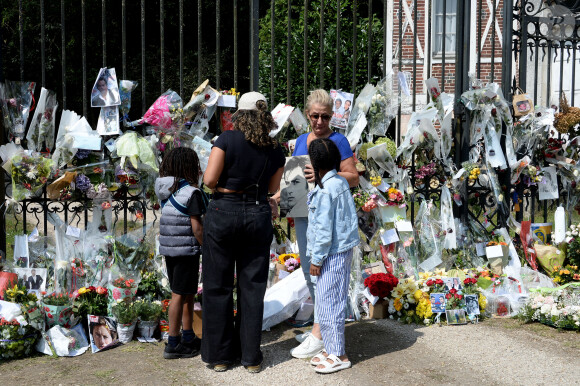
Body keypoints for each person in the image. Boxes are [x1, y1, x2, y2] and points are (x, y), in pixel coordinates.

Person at [202, 91, 285, 373]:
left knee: (218, 284)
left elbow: (210, 180)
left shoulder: (226, 139)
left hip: (224, 210)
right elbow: (273, 188)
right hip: (257, 213)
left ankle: (222, 356)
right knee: (252, 287)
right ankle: (251, 357)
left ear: (240, 114)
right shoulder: (275, 148)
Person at [273, 89, 359, 359]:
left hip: (327, 214)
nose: (320, 122)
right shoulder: (300, 140)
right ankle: (319, 326)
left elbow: (353, 177)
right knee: (310, 268)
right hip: (302, 212)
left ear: (332, 116)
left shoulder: (339, 141)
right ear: (307, 115)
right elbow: (295, 178)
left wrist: (325, 173)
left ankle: (320, 334)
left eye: (325, 116)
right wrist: (277, 197)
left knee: (321, 271)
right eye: (314, 116)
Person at [303, 138, 359, 374]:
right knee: (328, 301)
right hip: (337, 251)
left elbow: (324, 230)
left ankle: (339, 354)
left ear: (315, 163)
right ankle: (330, 347)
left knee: (330, 303)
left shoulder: (327, 190)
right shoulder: (337, 182)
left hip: (330, 254)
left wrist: (316, 260)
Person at [155, 147, 205, 359]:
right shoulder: (191, 193)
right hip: (187, 250)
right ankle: (173, 342)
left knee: (186, 293)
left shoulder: (168, 191)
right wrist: (207, 247)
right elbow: (197, 227)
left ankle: (188, 335)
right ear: (189, 167)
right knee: (179, 295)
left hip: (171, 250)